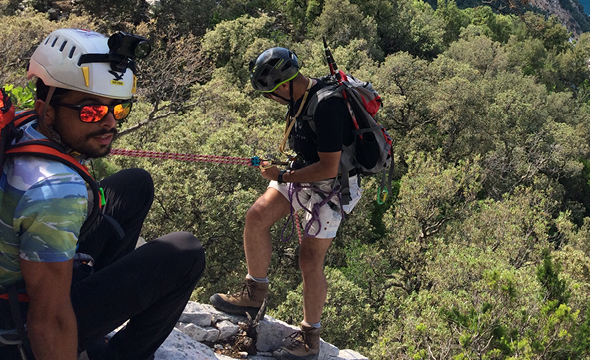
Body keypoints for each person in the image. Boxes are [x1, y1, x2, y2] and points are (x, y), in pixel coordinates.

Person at [0, 28, 206, 360]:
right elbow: (48, 319)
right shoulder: (56, 193)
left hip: (21, 278)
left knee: (135, 185)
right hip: (18, 322)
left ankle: (91, 317)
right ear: (47, 108)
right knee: (185, 252)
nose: (110, 123)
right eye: (91, 111)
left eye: (118, 109)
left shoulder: (25, 125)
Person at [210, 47, 361, 360]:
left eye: (270, 93)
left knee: (309, 259)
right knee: (257, 217)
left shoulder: (327, 105)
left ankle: (310, 339)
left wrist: (283, 174)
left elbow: (328, 168)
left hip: (332, 186)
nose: (270, 100)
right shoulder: (300, 98)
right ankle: (254, 295)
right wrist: (286, 171)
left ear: (284, 85)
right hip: (302, 171)